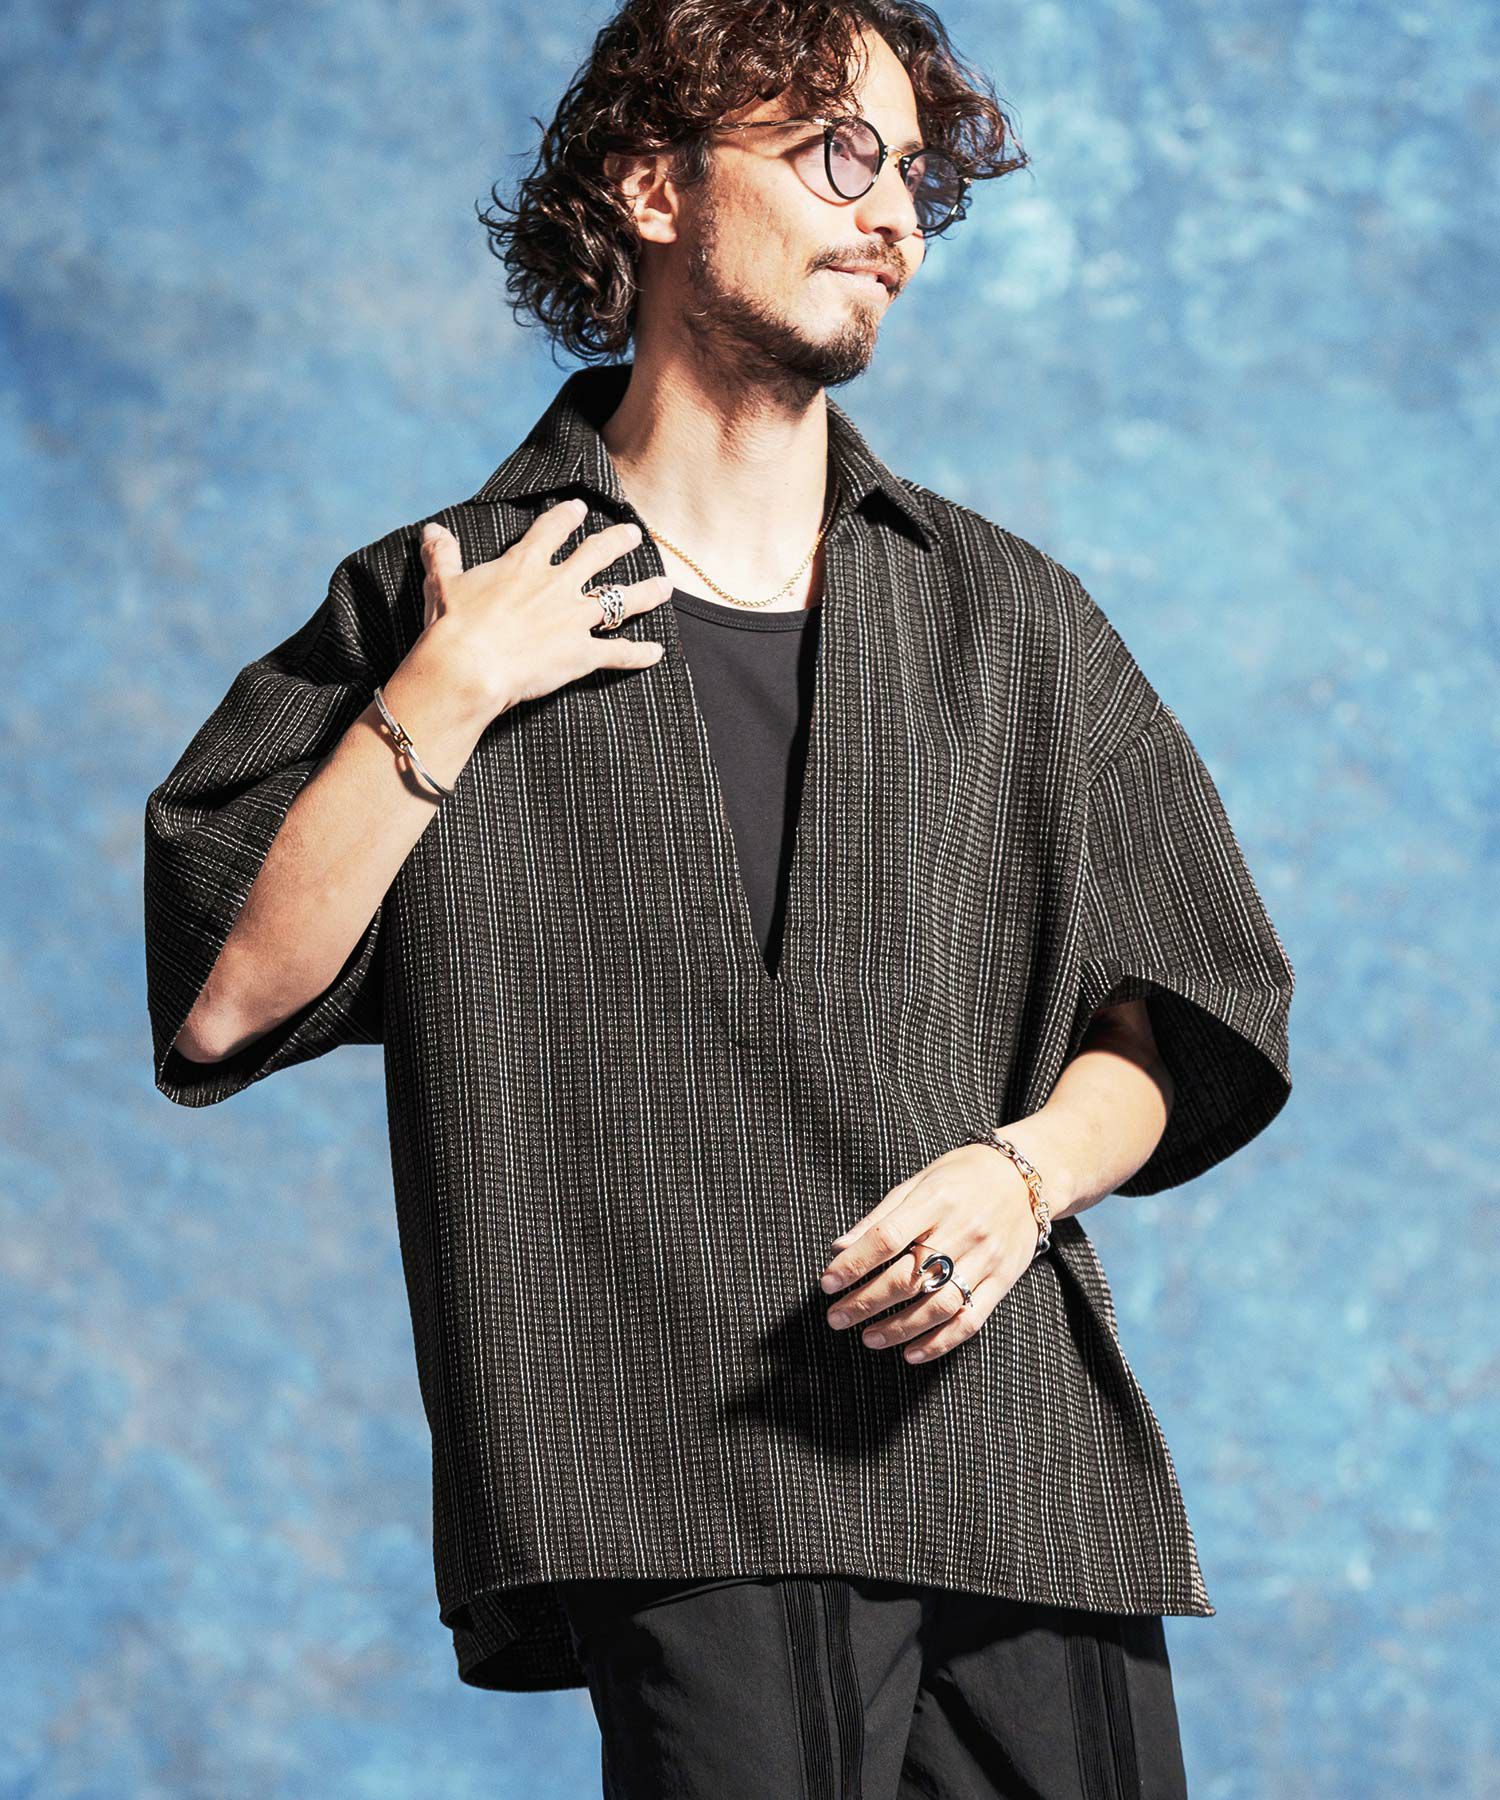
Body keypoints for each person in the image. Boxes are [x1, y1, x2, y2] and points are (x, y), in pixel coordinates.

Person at [143, 2, 1296, 1793]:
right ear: (651, 182)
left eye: (916, 177)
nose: (893, 214)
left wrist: (1026, 1175)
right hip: (672, 1451)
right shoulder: (447, 594)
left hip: (1013, 1453)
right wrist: (446, 692)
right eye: (838, 151)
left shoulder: (1005, 617)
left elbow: (1194, 1004)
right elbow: (226, 994)